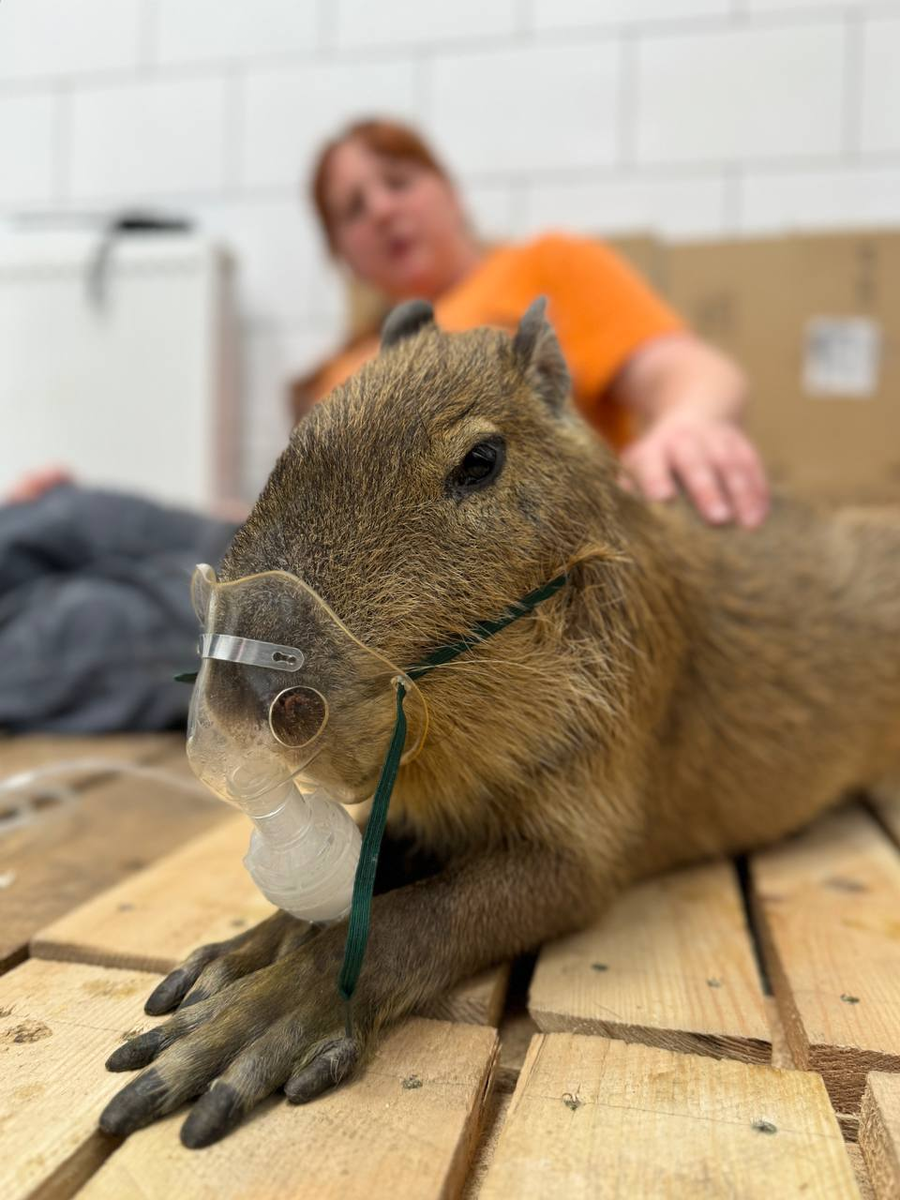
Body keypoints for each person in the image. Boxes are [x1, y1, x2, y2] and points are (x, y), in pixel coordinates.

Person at [295, 119, 768, 530]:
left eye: (398, 182)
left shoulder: (546, 268)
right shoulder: (336, 375)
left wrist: (688, 422)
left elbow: (686, 368)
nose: (381, 209)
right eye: (353, 208)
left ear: (452, 194)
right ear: (343, 256)